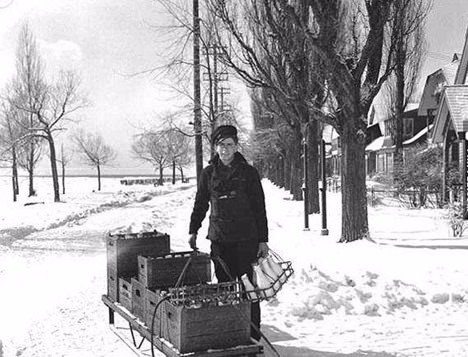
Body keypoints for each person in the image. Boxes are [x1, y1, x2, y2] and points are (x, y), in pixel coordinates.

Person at [188, 124, 269, 341]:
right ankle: (228, 332)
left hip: (246, 240)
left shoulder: (248, 173)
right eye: (221, 145)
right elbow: (200, 204)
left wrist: (263, 240)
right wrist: (193, 229)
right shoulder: (208, 174)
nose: (225, 149)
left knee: (247, 287)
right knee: (224, 287)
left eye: (229, 145)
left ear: (236, 147)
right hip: (220, 240)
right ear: (215, 147)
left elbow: (259, 207)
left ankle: (252, 334)